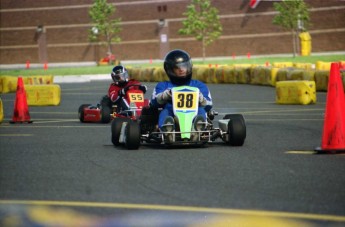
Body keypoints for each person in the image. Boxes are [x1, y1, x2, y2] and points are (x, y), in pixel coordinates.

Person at [151, 49, 213, 134]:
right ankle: (168, 130)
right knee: (165, 112)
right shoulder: (163, 85)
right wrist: (165, 95)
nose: (181, 70)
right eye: (177, 68)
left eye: (183, 66)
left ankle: (198, 129)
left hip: (194, 113)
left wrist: (201, 99)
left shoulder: (198, 85)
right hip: (172, 112)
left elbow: (209, 105)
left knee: (201, 110)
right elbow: (154, 103)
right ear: (169, 69)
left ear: (189, 66)